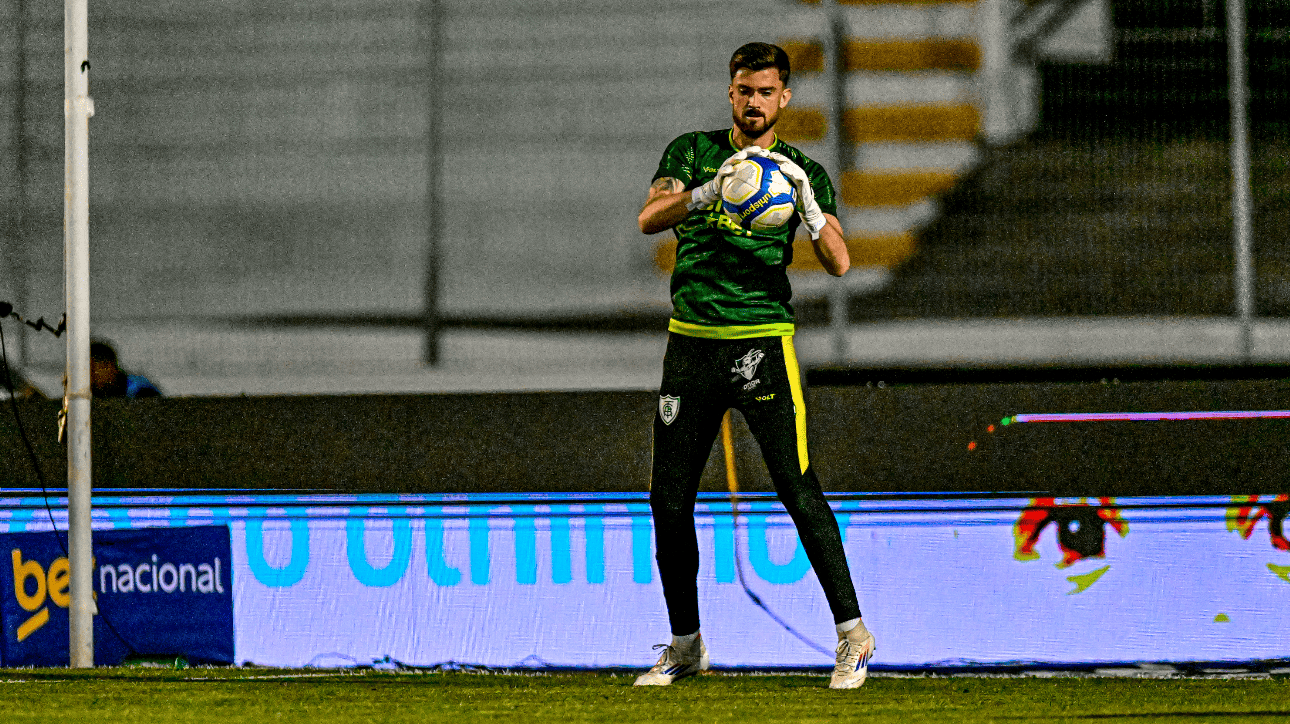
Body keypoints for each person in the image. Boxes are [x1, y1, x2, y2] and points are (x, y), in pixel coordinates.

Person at [633, 42, 874, 689]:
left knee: (796, 485)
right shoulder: (692, 153)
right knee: (669, 498)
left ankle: (854, 636)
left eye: (766, 92)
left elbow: (841, 262)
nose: (754, 102)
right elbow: (649, 217)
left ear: (785, 97)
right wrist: (708, 192)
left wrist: (811, 209)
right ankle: (686, 646)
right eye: (744, 90)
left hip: (762, 345)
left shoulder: (801, 170)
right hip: (690, 346)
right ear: (730, 92)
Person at [90, 340, 161, 398]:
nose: (89, 377)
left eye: (92, 370)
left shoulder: (140, 390)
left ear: (107, 366)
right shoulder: (95, 390)